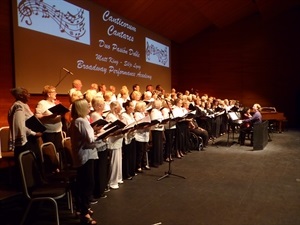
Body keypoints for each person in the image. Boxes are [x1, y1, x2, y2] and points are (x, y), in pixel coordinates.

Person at [69, 99, 99, 224]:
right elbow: (90, 140)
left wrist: (94, 131)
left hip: (82, 155)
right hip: (85, 156)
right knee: (88, 184)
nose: (89, 108)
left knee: (84, 183)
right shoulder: (82, 121)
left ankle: (83, 208)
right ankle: (85, 213)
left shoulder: (76, 121)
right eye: (87, 106)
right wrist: (101, 135)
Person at [8, 87, 42, 189]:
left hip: (30, 140)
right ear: (20, 95)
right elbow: (20, 126)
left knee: (33, 166)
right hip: (25, 142)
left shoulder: (23, 105)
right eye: (26, 93)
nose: (29, 95)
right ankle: (30, 190)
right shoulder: (18, 106)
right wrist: (34, 133)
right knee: (27, 168)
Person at [35, 85, 64, 168]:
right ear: (48, 94)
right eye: (54, 92)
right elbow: (37, 116)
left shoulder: (54, 103)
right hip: (49, 131)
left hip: (58, 130)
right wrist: (49, 117)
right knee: (49, 152)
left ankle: (58, 168)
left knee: (58, 150)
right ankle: (51, 169)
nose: (56, 93)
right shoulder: (42, 103)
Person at [105, 101, 124, 190]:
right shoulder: (110, 116)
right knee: (114, 161)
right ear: (115, 108)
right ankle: (112, 181)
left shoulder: (116, 115)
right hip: (113, 140)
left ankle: (118, 177)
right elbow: (108, 129)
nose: (121, 109)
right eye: (120, 107)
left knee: (118, 160)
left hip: (118, 139)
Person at [121, 100, 137, 180]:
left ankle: (132, 171)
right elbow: (124, 127)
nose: (133, 108)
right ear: (127, 107)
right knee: (127, 156)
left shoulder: (131, 114)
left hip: (132, 136)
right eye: (132, 106)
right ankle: (126, 173)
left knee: (132, 155)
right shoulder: (123, 115)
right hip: (127, 137)